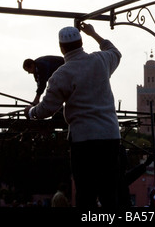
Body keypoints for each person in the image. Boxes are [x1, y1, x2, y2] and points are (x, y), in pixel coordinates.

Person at [24, 23, 122, 210]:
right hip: (110, 136)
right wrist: (94, 33)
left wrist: (30, 112)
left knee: (86, 194)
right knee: (109, 193)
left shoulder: (61, 75)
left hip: (83, 141)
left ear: (61, 48)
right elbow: (115, 51)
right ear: (82, 41)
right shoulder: (100, 60)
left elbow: (46, 109)